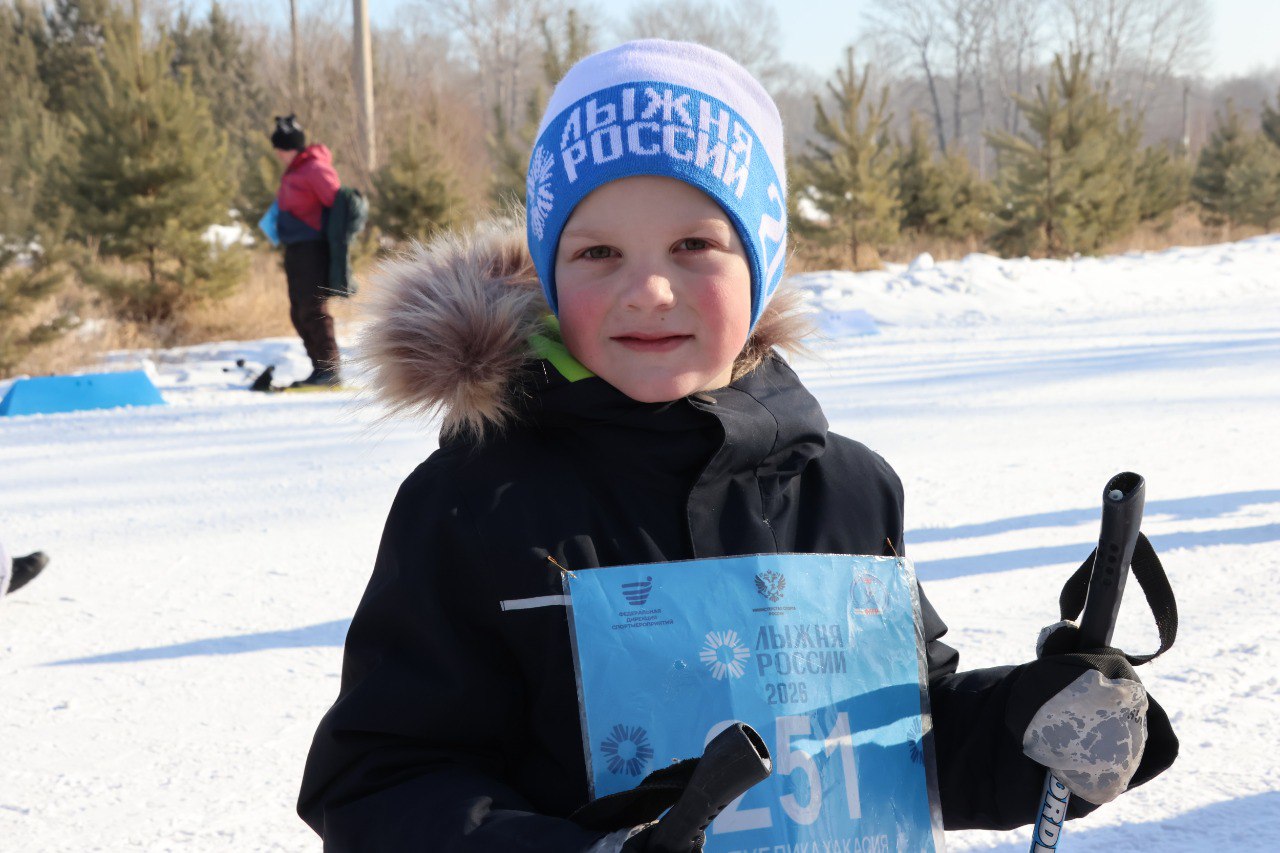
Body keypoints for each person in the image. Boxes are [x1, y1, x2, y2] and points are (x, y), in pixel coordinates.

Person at [297, 41, 1176, 851]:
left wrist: (1037, 725)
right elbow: (380, 779)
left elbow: (901, 737)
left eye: (694, 245)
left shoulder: (846, 487)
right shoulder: (477, 502)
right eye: (597, 250)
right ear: (548, 270)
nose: (647, 289)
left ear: (760, 265)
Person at [271, 115, 343, 388]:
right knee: (298, 311)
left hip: (313, 249)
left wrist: (335, 246)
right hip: (296, 249)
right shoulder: (295, 171)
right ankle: (319, 367)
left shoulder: (314, 168)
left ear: (291, 147)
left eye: (280, 148)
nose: (278, 154)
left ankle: (330, 369)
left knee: (313, 308)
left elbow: (337, 203)